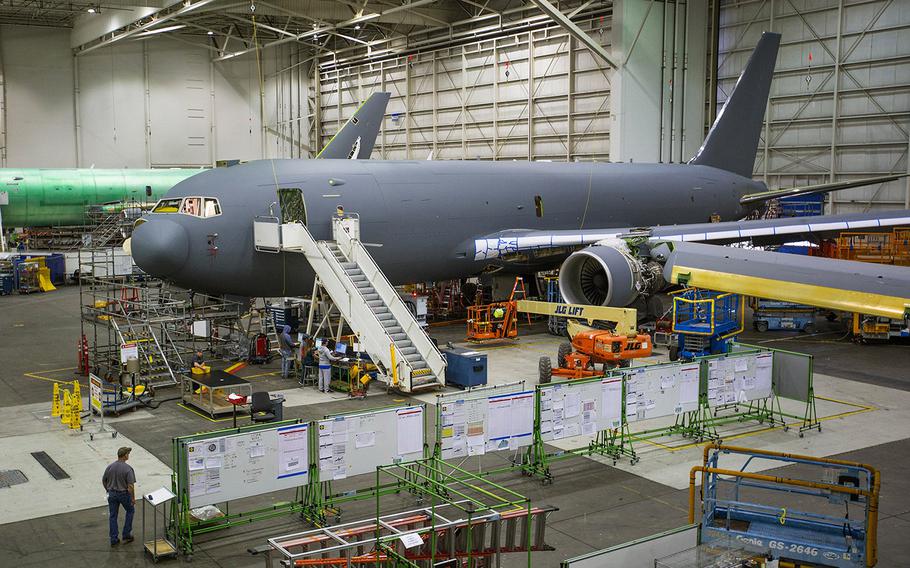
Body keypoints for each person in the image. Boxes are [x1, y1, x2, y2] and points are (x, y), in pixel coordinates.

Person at [102, 446, 136, 546]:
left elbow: (104, 480)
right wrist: (133, 498)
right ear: (125, 455)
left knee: (113, 516)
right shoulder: (128, 469)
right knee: (130, 511)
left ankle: (114, 539)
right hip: (123, 494)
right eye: (128, 454)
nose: (128, 455)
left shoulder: (110, 467)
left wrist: (108, 490)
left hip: (111, 493)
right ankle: (126, 534)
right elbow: (130, 486)